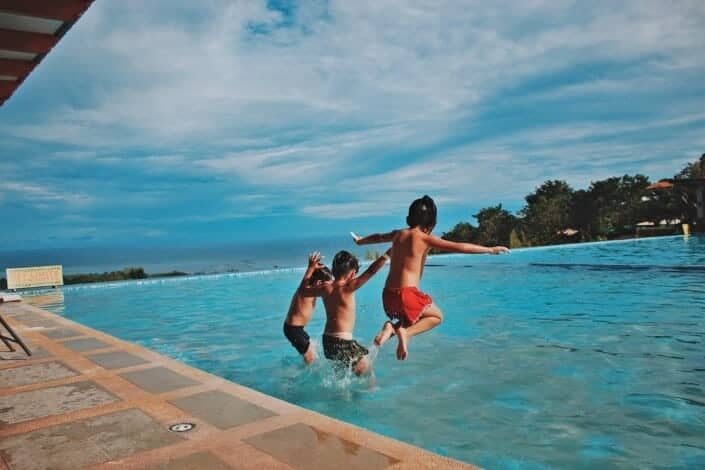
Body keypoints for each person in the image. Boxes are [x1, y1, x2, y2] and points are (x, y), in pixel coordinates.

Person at [352, 195, 509, 360]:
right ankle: (405, 333)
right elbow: (460, 247)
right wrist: (490, 250)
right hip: (407, 294)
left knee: (411, 318)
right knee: (436, 317)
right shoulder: (425, 238)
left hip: (388, 296)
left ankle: (390, 328)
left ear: (408, 219)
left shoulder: (398, 234)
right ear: (431, 224)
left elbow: (378, 237)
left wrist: (360, 241)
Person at [298, 249, 391, 375]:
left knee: (343, 371)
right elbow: (371, 271)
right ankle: (369, 392)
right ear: (352, 273)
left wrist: (310, 268)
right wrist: (386, 255)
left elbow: (302, 290)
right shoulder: (348, 287)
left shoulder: (325, 288)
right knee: (367, 370)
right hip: (343, 343)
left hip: (327, 343)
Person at [283, 252, 334, 364]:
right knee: (310, 359)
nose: (329, 287)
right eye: (328, 284)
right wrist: (310, 267)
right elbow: (305, 282)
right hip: (293, 330)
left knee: (313, 349)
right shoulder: (305, 290)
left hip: (297, 329)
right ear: (319, 282)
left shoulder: (313, 290)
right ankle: (297, 377)